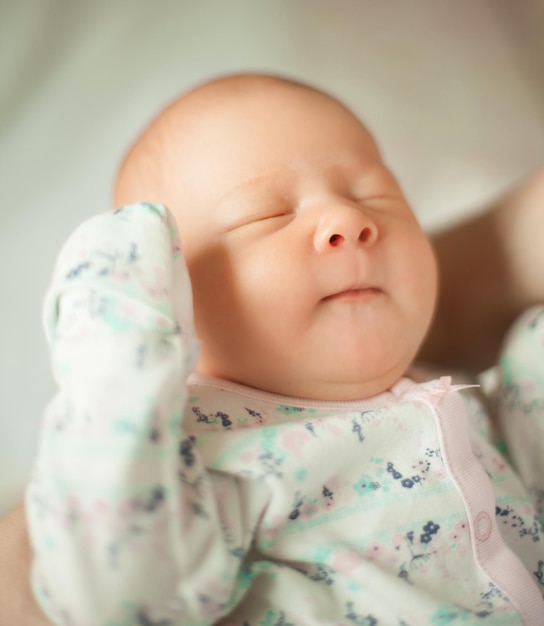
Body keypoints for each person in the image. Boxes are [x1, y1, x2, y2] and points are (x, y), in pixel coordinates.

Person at [3, 73, 544, 625]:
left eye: (374, 194)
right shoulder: (210, 453)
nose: (350, 220)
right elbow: (122, 593)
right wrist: (116, 353)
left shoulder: (465, 401)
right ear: (175, 299)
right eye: (266, 214)